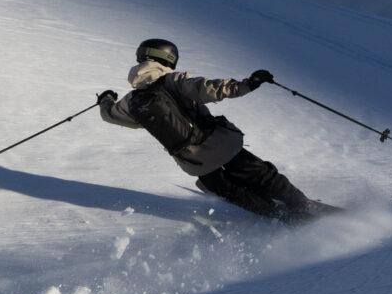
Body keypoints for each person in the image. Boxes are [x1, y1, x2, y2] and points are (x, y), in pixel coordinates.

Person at [98, 38, 330, 221]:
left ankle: (277, 215)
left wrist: (106, 99)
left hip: (192, 161)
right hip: (221, 143)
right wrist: (249, 83)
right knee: (261, 175)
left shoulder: (132, 101)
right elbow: (210, 89)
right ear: (167, 59)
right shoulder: (175, 81)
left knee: (229, 190)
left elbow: (109, 115)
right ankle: (301, 204)